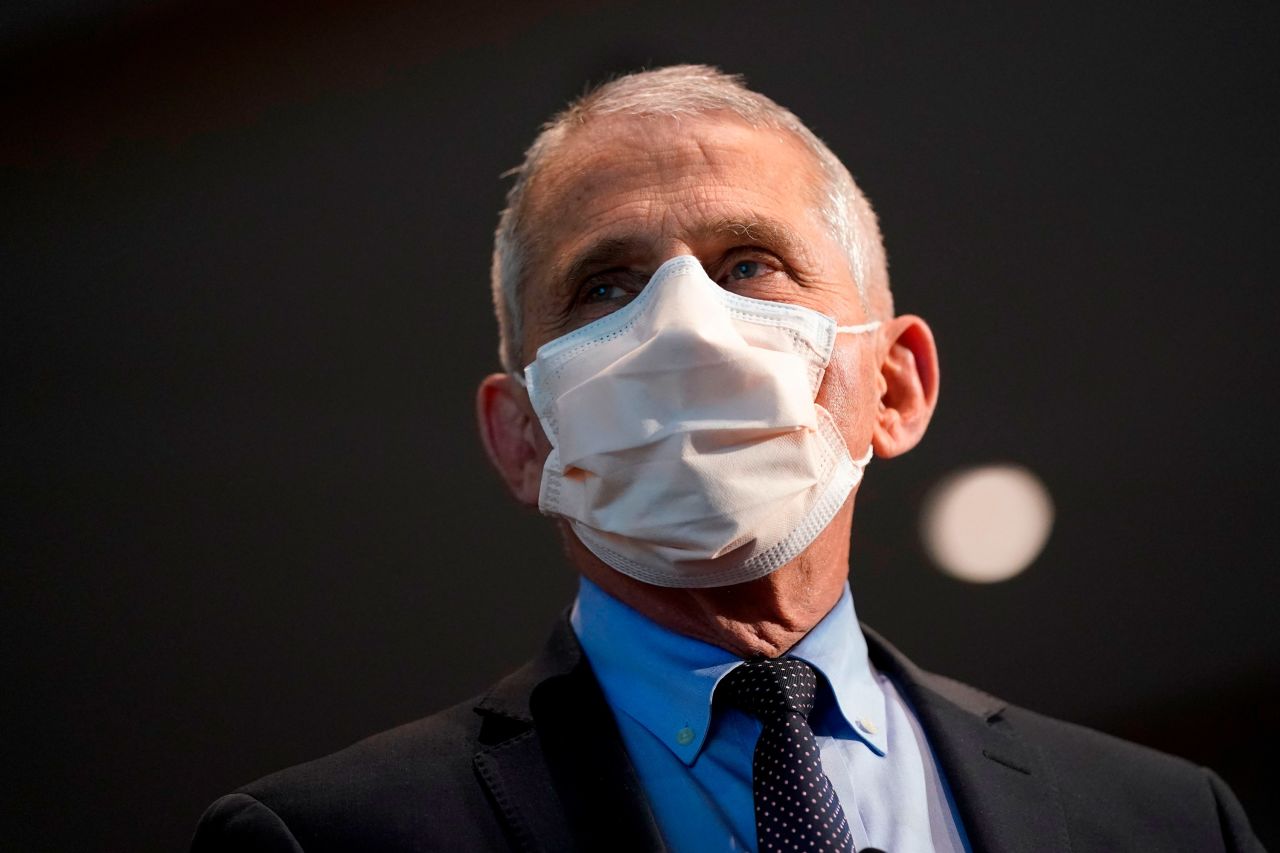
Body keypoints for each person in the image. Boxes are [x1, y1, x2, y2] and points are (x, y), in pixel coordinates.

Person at [191, 65, 1262, 852]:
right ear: (522, 437)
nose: (683, 326)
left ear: (893, 386)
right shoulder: (326, 841)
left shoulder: (1164, 823)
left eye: (746, 262)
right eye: (603, 285)